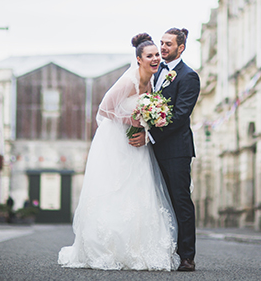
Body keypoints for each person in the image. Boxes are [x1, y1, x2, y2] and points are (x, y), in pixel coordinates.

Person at [58, 33, 180, 271]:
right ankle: (109, 246)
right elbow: (104, 109)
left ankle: (138, 246)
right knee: (116, 188)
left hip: (137, 144)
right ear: (138, 59)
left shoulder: (154, 81)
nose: (155, 58)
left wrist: (148, 121)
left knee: (140, 188)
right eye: (150, 56)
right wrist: (132, 120)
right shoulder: (129, 81)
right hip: (116, 140)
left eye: (157, 54)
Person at [128, 27, 200, 272]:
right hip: (153, 150)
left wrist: (149, 135)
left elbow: (180, 116)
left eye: (168, 44)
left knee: (180, 201)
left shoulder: (188, 76)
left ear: (181, 47)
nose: (163, 48)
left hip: (176, 150)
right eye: (161, 43)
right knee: (158, 201)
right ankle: (161, 251)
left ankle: (187, 256)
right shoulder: (156, 71)